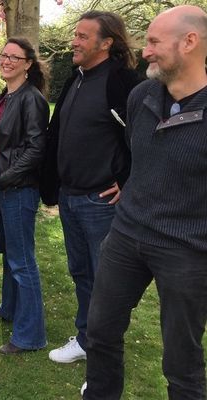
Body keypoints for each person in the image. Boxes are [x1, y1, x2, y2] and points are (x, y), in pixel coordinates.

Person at [83, 5, 207, 399]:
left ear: (189, 42)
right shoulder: (141, 96)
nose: (146, 51)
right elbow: (136, 156)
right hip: (126, 234)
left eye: (154, 42)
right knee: (100, 332)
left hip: (187, 248)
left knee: (182, 360)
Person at [40, 11, 142, 364]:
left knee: (106, 282)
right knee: (81, 272)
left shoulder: (122, 81)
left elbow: (144, 136)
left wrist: (127, 181)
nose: (74, 41)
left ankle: (103, 350)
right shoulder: (77, 78)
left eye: (83, 36)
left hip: (100, 201)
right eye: (75, 35)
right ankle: (86, 338)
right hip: (70, 197)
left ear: (106, 42)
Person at [0, 38, 50, 354]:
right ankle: (9, 308)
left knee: (22, 261)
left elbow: (37, 148)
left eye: (14, 57)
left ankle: (30, 335)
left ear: (28, 64)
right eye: (3, 55)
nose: (6, 60)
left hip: (17, 189)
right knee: (9, 253)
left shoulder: (31, 99)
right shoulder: (6, 98)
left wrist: (7, 177)